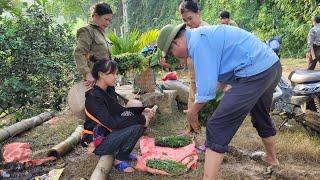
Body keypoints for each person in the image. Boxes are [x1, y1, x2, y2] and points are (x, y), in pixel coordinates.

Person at [157, 23, 281, 179]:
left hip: (255, 72)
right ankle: (271, 158)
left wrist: (193, 112)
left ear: (176, 43)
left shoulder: (198, 44)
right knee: (260, 114)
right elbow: (218, 77)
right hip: (271, 65)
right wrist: (220, 89)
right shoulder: (201, 36)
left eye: (171, 52)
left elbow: (207, 90)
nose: (174, 56)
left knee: (217, 125)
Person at [82, 55, 156, 173]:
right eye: (113, 74)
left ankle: (123, 153)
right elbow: (111, 123)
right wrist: (140, 119)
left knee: (137, 124)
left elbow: (120, 111)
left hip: (108, 134)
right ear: (101, 75)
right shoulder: (94, 98)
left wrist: (141, 111)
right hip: (98, 142)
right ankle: (119, 160)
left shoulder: (108, 91)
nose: (116, 77)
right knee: (137, 126)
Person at [158, 0, 209, 132]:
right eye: (185, 20)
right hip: (194, 82)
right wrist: (169, 64)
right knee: (192, 112)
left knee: (208, 113)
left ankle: (211, 142)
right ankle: (192, 137)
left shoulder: (206, 31)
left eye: (190, 18)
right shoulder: (186, 34)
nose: (188, 23)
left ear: (198, 13)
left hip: (207, 81)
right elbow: (182, 62)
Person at [74, 2, 113, 87]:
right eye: (105, 19)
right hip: (94, 82)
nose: (107, 23)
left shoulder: (102, 33)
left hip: (106, 81)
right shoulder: (87, 31)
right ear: (96, 16)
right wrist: (87, 74)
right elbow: (79, 53)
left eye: (109, 20)